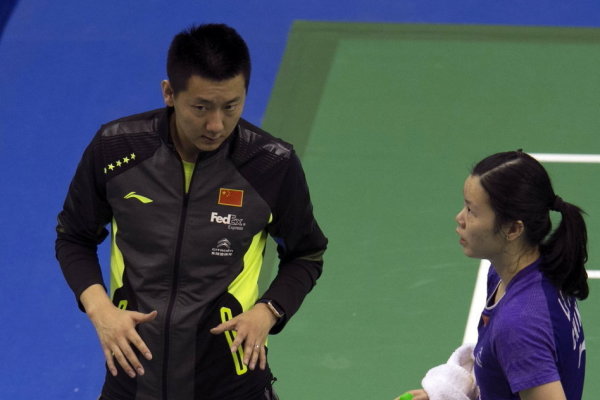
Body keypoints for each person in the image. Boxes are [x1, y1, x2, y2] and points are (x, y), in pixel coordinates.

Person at [55, 23, 327, 400]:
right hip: (133, 378)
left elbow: (306, 254)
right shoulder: (116, 150)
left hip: (232, 382)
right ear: (169, 93)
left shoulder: (270, 165)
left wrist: (269, 310)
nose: (216, 125)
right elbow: (74, 237)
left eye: (231, 106)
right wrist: (100, 309)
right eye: (200, 107)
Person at [396, 150, 588, 400]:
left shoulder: (519, 325)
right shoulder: (518, 271)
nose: (460, 218)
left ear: (513, 229)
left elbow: (520, 346)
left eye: (471, 211)